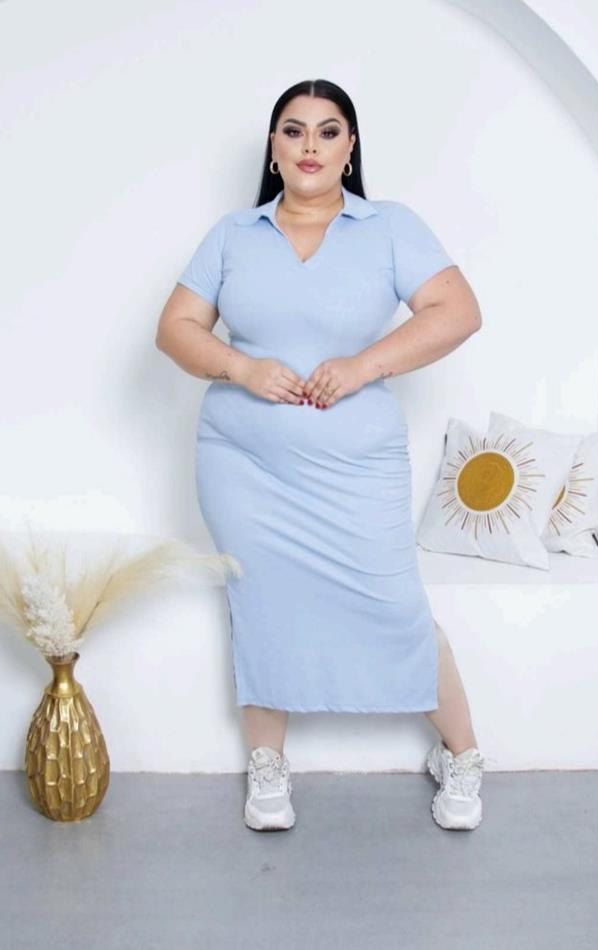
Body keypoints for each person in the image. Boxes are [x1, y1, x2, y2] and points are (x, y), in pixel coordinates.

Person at [156, 79, 486, 832]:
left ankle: (462, 754)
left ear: (350, 148)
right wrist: (241, 368)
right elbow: (174, 329)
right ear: (273, 149)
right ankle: (268, 766)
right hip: (243, 462)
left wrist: (364, 365)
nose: (311, 145)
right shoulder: (233, 235)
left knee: (394, 601)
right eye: (294, 130)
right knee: (261, 601)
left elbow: (458, 311)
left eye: (328, 131)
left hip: (356, 462)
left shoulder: (390, 227)